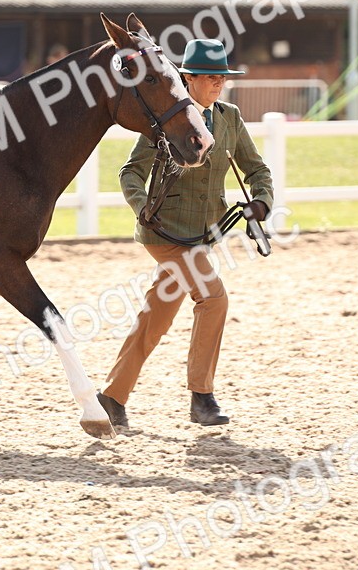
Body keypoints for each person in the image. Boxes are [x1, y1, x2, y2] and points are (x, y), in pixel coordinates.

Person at [97, 38, 273, 429]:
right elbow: (130, 173)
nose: (217, 84)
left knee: (155, 317)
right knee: (213, 299)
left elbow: (257, 170)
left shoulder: (229, 118)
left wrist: (261, 201)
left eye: (221, 78)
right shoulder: (167, 119)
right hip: (165, 234)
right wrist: (141, 207)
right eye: (209, 77)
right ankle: (202, 398)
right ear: (187, 78)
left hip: (202, 236)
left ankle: (111, 397)